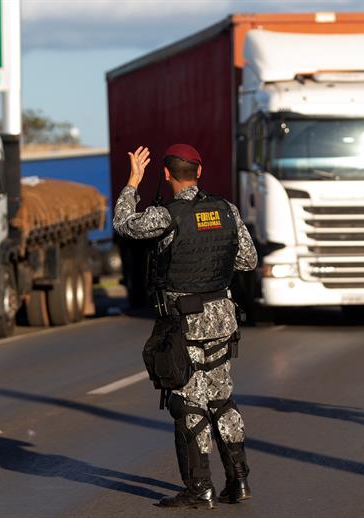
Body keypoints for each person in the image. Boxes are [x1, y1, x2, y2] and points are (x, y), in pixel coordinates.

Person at [113, 144, 257, 509]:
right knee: (222, 399)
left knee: (189, 404)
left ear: (166, 175)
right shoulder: (226, 209)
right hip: (222, 317)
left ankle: (199, 489)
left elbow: (123, 225)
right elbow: (248, 259)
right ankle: (239, 483)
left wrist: (132, 183)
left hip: (185, 323)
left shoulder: (165, 215)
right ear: (200, 171)